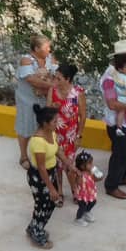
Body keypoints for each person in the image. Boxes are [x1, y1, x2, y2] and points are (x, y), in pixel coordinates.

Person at [100, 43, 126, 199]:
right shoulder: (109, 79)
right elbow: (112, 104)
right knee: (120, 154)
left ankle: (122, 176)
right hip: (118, 122)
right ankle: (111, 185)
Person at [13, 35, 57, 167]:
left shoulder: (50, 59)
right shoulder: (26, 61)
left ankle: (42, 153)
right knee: (25, 126)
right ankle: (23, 156)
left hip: (43, 100)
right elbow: (31, 79)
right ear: (36, 48)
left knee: (43, 126)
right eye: (46, 47)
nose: (49, 49)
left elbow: (56, 72)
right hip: (27, 101)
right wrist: (51, 85)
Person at [24, 104, 62, 249]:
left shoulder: (51, 133)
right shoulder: (38, 141)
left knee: (50, 204)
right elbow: (41, 167)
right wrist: (52, 188)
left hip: (50, 173)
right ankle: (37, 234)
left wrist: (69, 164)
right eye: (54, 121)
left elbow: (57, 150)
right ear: (45, 124)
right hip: (39, 177)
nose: (56, 123)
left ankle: (33, 227)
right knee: (43, 206)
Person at [51, 63, 85, 191]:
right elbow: (48, 112)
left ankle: (74, 188)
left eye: (59, 78)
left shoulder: (77, 93)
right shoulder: (52, 91)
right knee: (56, 164)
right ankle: (59, 190)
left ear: (68, 79)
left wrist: (79, 136)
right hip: (56, 134)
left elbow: (83, 116)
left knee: (69, 164)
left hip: (71, 136)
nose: (55, 81)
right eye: (55, 77)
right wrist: (52, 108)